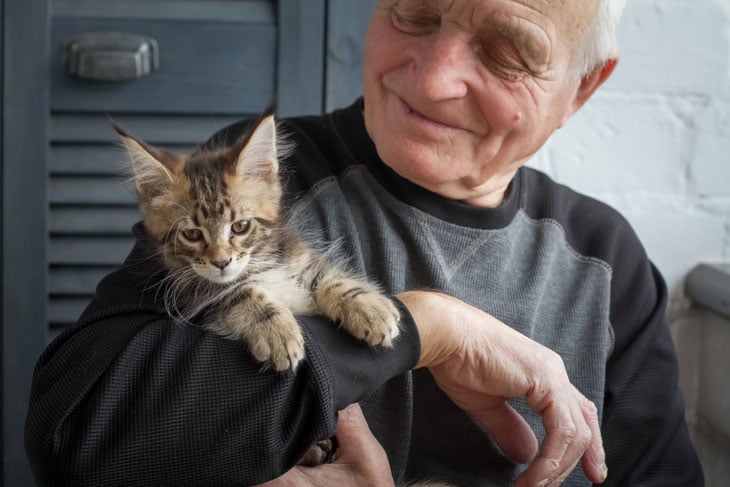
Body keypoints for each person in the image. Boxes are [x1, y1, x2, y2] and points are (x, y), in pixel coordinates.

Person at [25, 0, 703, 485]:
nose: (433, 78)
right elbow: (78, 438)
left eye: (507, 51)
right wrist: (424, 327)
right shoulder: (252, 179)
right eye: (414, 12)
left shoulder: (607, 260)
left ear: (581, 88)